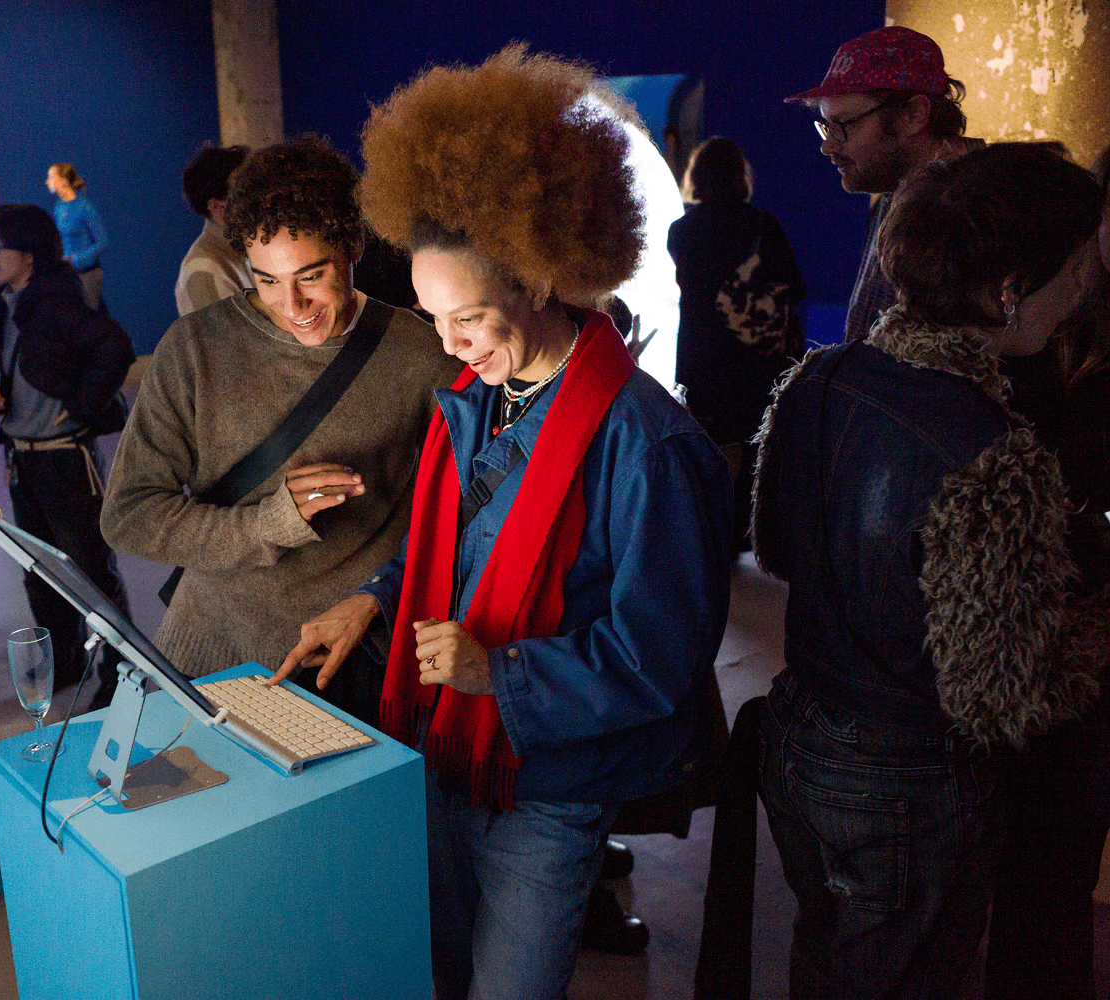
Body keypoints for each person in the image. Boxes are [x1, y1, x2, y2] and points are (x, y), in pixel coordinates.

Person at [273, 47, 734, 999]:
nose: (449, 345)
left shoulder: (646, 444)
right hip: (442, 747)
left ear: (539, 277)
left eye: (470, 319)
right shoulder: (478, 396)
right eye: (433, 318)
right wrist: (374, 598)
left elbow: (662, 657)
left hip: (548, 787)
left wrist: (499, 671)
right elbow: (454, 552)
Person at [753, 142, 1110, 999]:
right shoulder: (993, 452)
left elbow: (776, 548)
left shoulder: (819, 376)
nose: (1082, 290)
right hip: (906, 784)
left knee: (828, 962)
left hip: (801, 737)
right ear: (1009, 288)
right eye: (1074, 270)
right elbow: (1005, 696)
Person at [100, 137, 462, 700]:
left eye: (311, 276)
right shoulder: (195, 347)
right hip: (211, 651)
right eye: (267, 280)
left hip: (344, 664)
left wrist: (378, 598)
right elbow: (128, 516)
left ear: (354, 246)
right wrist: (269, 524)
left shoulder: (421, 354)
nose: (293, 306)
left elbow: (463, 512)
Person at [986, 120, 1110, 1000]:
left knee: (1055, 871)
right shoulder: (1052, 321)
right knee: (1034, 879)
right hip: (1032, 642)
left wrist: (1103, 528)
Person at [0, 203, 135, 706]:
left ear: (28, 254)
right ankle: (65, 661)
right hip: (24, 460)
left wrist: (82, 408)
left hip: (65, 460)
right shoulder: (9, 309)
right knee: (39, 572)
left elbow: (115, 347)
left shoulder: (57, 304)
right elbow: (14, 380)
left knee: (90, 573)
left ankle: (120, 673)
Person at [786, 25, 973, 342]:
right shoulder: (896, 196)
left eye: (843, 125)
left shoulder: (971, 214)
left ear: (914, 115)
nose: (827, 146)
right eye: (826, 127)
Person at [669, 136, 804, 548]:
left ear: (697, 176)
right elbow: (796, 288)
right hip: (756, 360)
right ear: (739, 176)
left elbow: (692, 292)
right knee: (754, 445)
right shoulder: (763, 226)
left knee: (707, 451)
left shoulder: (682, 232)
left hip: (703, 361)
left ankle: (707, 538)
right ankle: (750, 536)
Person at [175, 143, 253, 316]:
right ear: (218, 208)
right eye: (245, 191)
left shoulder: (242, 252)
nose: (258, 197)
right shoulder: (205, 271)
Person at [46, 163, 108, 313]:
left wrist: (78, 259)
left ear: (63, 181)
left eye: (51, 177)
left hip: (87, 276)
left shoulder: (84, 207)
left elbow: (102, 242)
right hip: (68, 277)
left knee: (87, 318)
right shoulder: (58, 208)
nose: (47, 182)